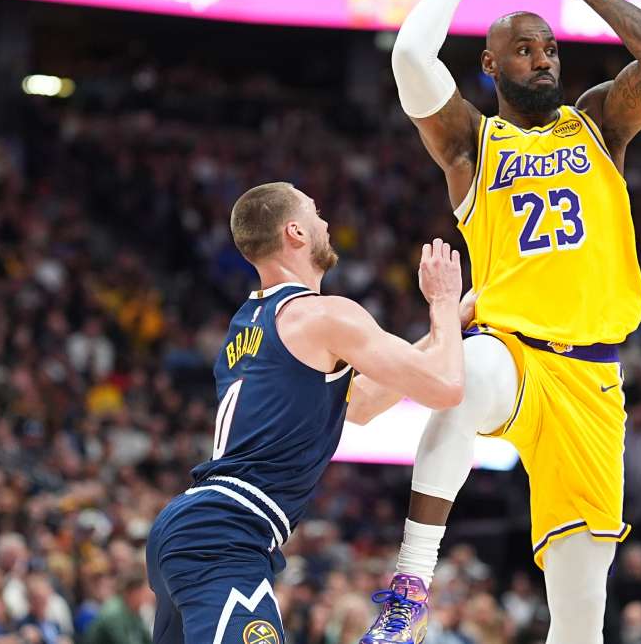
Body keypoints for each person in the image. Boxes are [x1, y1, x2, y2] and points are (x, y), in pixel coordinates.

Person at [361, 0, 641, 640]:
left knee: (580, 627)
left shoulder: (596, 121)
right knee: (460, 378)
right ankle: (410, 589)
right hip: (512, 358)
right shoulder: (472, 145)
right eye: (523, 50)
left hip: (594, 384)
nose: (542, 61)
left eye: (549, 50)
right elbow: (412, 59)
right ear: (490, 64)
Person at [146, 181, 469, 643]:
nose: (327, 223)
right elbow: (446, 387)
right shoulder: (323, 315)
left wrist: (447, 328)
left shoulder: (247, 326)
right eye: (317, 213)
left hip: (191, 526)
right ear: (296, 232)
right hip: (224, 535)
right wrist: (440, 302)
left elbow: (357, 406)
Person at [82, 576, 152, 644]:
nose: (147, 597)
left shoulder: (133, 609)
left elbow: (146, 638)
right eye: (144, 592)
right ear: (134, 592)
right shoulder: (114, 612)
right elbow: (122, 641)